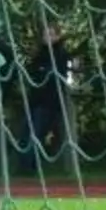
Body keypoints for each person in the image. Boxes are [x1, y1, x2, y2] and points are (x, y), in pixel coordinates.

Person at [17, 25, 73, 174]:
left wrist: (43, 73)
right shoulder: (39, 55)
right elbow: (34, 73)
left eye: (51, 34)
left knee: (36, 133)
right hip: (35, 100)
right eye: (45, 35)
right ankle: (25, 166)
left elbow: (56, 77)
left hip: (49, 102)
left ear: (57, 37)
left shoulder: (60, 55)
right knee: (25, 132)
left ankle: (30, 167)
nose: (47, 38)